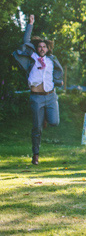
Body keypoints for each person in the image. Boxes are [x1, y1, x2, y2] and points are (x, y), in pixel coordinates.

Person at [12, 15, 64, 165]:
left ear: (48, 49)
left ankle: (47, 117)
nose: (42, 49)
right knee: (37, 128)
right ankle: (35, 154)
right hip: (36, 97)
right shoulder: (32, 57)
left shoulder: (51, 60)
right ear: (37, 48)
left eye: (44, 47)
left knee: (54, 122)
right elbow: (25, 41)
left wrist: (58, 82)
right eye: (40, 46)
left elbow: (58, 73)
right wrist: (30, 24)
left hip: (51, 96)